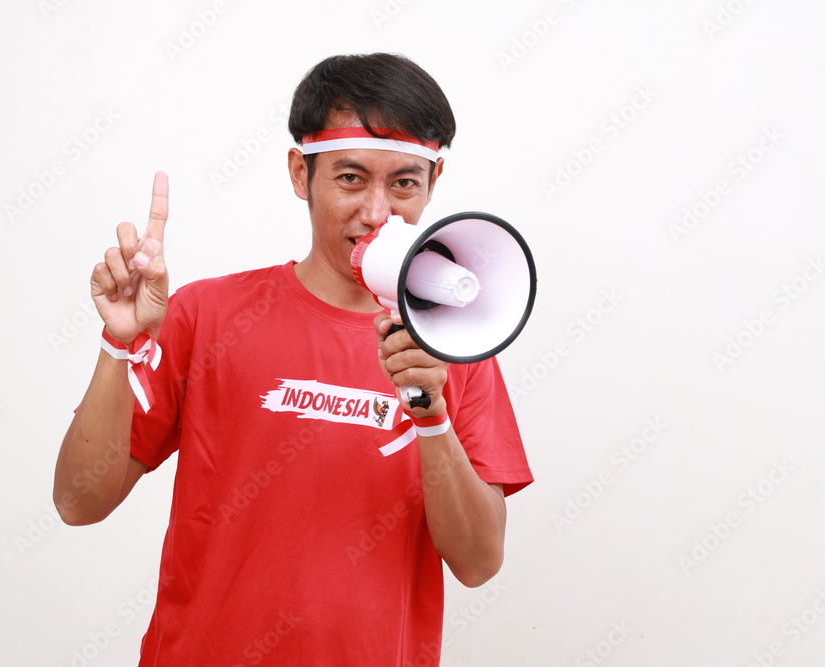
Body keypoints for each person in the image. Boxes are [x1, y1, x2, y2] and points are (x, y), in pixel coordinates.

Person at [53, 52, 533, 667]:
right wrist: (117, 344)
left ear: (433, 183)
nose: (377, 213)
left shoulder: (453, 345)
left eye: (404, 183)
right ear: (300, 175)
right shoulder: (207, 315)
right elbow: (78, 502)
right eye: (351, 178)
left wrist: (431, 416)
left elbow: (478, 563)